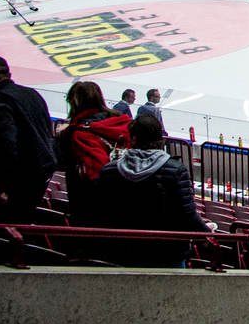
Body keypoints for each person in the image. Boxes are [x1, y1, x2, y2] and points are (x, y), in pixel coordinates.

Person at [93, 112, 209, 266]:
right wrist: (208, 235)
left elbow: (100, 211)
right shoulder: (176, 171)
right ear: (160, 139)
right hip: (167, 253)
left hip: (122, 251)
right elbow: (188, 215)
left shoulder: (109, 171)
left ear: (133, 139)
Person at [0, 55, 57, 222]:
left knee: (10, 227)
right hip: (41, 174)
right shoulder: (32, 94)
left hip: (15, 186)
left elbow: (5, 146)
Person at [53, 80, 131, 227]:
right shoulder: (121, 123)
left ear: (74, 102)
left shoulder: (77, 133)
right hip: (126, 201)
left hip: (90, 208)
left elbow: (62, 162)